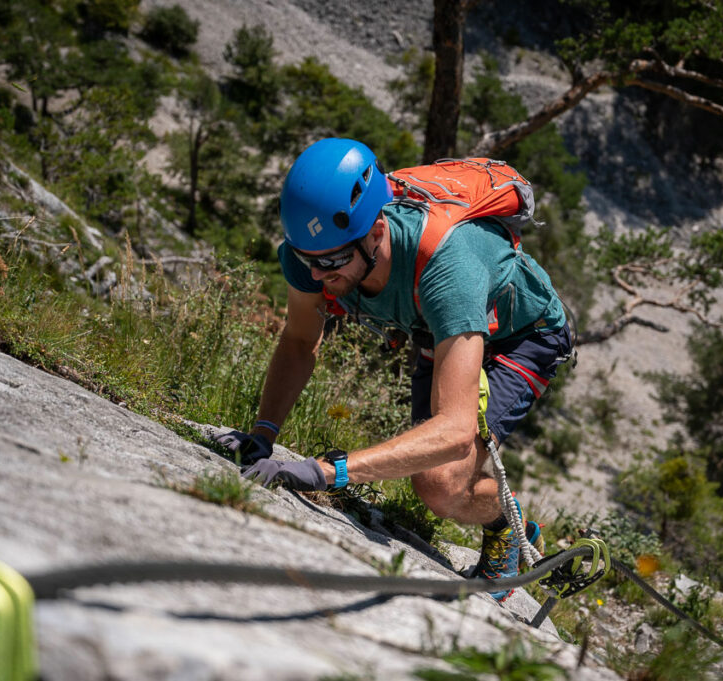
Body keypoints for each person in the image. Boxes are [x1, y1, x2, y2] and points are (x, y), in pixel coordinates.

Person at [213, 138, 574, 601]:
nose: (319, 276)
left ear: (377, 232)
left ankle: (507, 522)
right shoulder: (317, 252)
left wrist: (327, 473)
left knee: (439, 484)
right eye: (308, 262)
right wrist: (262, 435)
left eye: (333, 262)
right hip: (435, 326)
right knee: (434, 468)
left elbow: (454, 431)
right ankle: (501, 513)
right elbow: (301, 339)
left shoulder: (448, 266)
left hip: (522, 335)